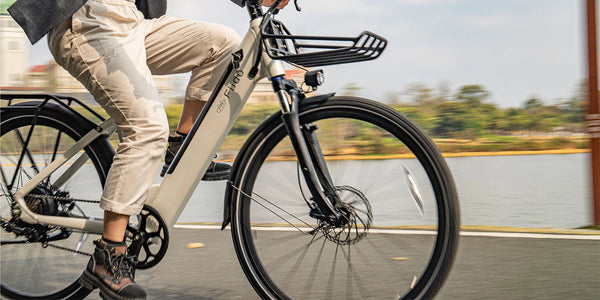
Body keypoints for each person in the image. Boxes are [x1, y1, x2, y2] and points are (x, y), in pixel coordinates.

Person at [8, 0, 289, 299]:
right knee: (148, 128)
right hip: (87, 21)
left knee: (225, 45)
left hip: (133, 21)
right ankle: (108, 257)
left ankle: (182, 146)